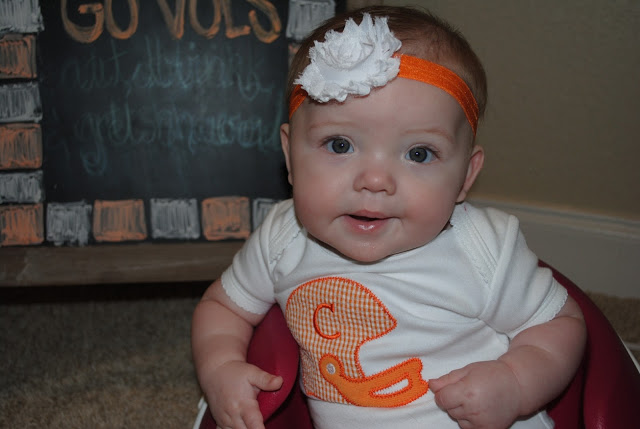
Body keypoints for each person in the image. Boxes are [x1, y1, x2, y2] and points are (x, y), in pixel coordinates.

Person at [191, 6, 586, 429]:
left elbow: (560, 322)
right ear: (290, 156)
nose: (375, 181)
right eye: (340, 145)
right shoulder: (283, 238)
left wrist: (514, 383)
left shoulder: (482, 250)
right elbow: (223, 308)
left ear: (465, 176)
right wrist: (220, 368)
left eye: (419, 153)